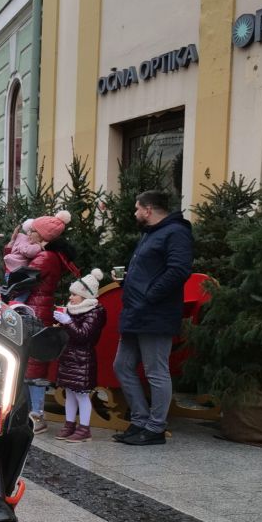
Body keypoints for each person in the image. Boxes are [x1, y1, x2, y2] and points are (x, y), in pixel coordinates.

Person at [113, 189, 193, 446]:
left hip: (155, 313)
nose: (135, 213)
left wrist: (149, 295)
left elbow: (179, 270)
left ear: (148, 209)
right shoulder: (151, 234)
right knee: (122, 366)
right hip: (136, 312)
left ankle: (155, 428)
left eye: (137, 209)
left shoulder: (177, 232)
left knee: (156, 371)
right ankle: (139, 420)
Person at [15, 213, 77, 433]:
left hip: (34, 313)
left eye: (32, 231)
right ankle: (30, 414)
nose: (28, 234)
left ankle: (36, 416)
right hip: (39, 310)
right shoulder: (49, 256)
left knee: (33, 365)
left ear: (42, 236)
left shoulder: (44, 258)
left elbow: (18, 280)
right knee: (32, 364)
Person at [52, 269, 107, 442]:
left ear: (85, 296)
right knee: (70, 393)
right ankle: (69, 424)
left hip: (83, 359)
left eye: (74, 295)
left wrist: (67, 322)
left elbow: (83, 335)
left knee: (82, 395)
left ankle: (84, 428)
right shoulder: (72, 310)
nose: (71, 298)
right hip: (69, 357)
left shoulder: (94, 312)